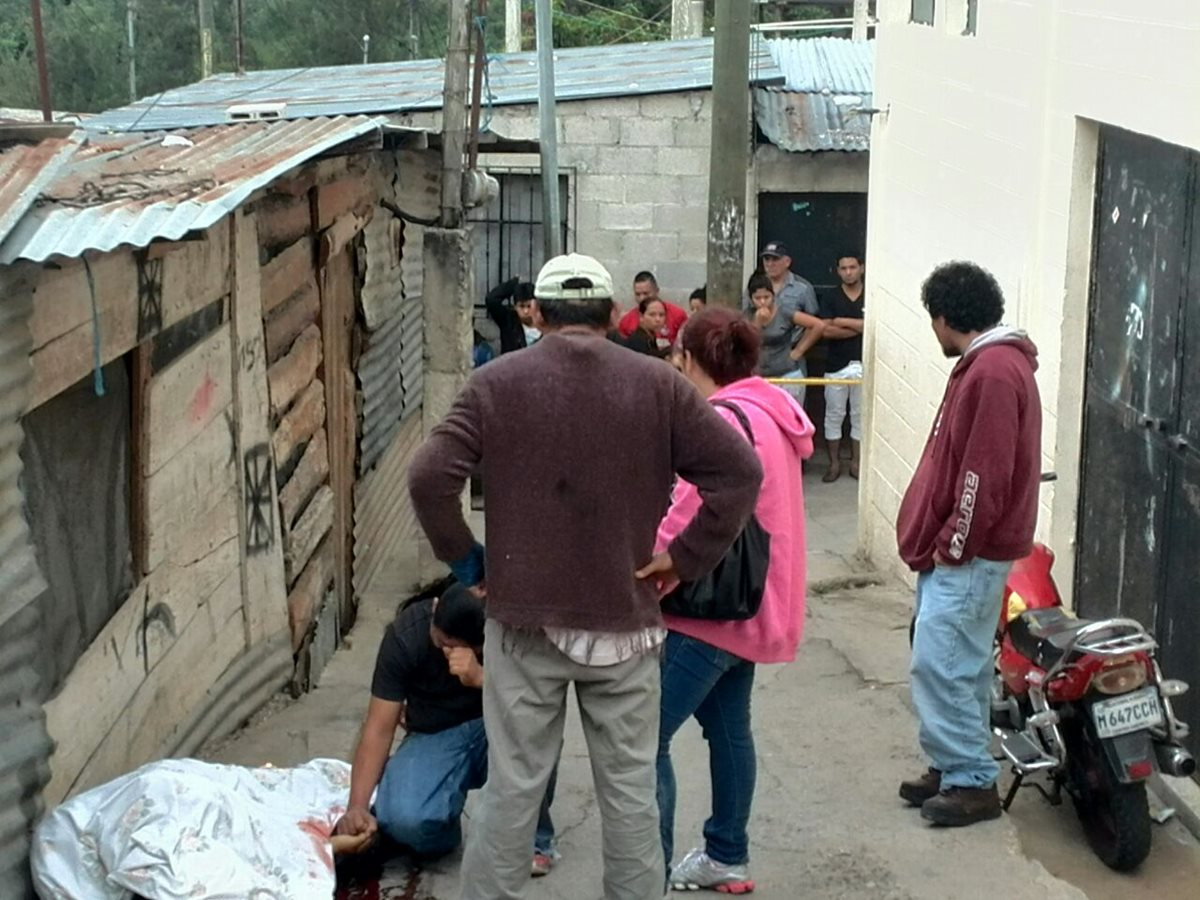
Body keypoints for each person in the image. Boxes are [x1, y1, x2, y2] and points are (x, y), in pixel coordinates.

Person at [408, 253, 763, 900]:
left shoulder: (497, 383)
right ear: (608, 315)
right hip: (624, 624)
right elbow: (739, 475)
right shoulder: (659, 385)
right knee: (629, 795)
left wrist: (471, 564)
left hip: (523, 625)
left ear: (537, 314)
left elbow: (429, 478)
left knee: (513, 789)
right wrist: (685, 559)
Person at [655, 307, 814, 893]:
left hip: (711, 608)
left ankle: (648, 871)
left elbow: (687, 514)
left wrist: (651, 570)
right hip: (754, 602)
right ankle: (726, 855)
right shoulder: (772, 411)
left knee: (642, 739)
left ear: (692, 360)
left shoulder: (720, 420)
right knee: (728, 731)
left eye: (679, 355)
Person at [896, 261, 1042, 827]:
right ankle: (952, 762)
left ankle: (970, 781)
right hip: (964, 550)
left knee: (944, 663)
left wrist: (953, 545)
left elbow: (983, 475)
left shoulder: (992, 373)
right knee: (957, 662)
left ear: (943, 316)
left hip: (970, 554)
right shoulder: (988, 366)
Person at [332, 582, 559, 874]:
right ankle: (441, 825)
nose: (444, 651)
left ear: (480, 643)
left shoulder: (511, 629)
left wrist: (481, 678)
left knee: (535, 734)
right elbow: (378, 727)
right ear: (436, 607)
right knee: (404, 819)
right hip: (434, 734)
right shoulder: (406, 634)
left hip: (497, 728)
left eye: (454, 647)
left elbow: (541, 706)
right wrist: (357, 806)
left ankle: (534, 841)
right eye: (440, 642)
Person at [745, 242, 824, 405]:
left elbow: (816, 321)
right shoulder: (756, 286)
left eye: (775, 259)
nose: (770, 264)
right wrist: (758, 322)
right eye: (766, 259)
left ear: (787, 261)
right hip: (760, 368)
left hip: (789, 359)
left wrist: (799, 350)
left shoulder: (802, 288)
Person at [819, 253, 866, 482]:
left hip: (864, 363)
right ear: (838, 271)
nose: (849, 272)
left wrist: (841, 321)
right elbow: (824, 330)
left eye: (853, 267)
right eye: (844, 268)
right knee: (834, 416)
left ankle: (857, 463)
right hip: (836, 364)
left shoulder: (872, 293)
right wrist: (861, 327)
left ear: (862, 268)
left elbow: (876, 326)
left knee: (860, 416)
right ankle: (834, 464)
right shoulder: (830, 296)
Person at [617, 271, 689, 344]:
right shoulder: (626, 321)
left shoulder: (677, 315)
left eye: (646, 293)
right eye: (637, 294)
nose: (642, 298)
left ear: (657, 291)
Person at [486, 276, 540, 354]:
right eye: (521, 306)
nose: (525, 311)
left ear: (536, 305)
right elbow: (491, 299)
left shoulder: (546, 321)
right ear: (515, 307)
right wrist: (513, 283)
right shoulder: (509, 321)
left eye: (529, 306)